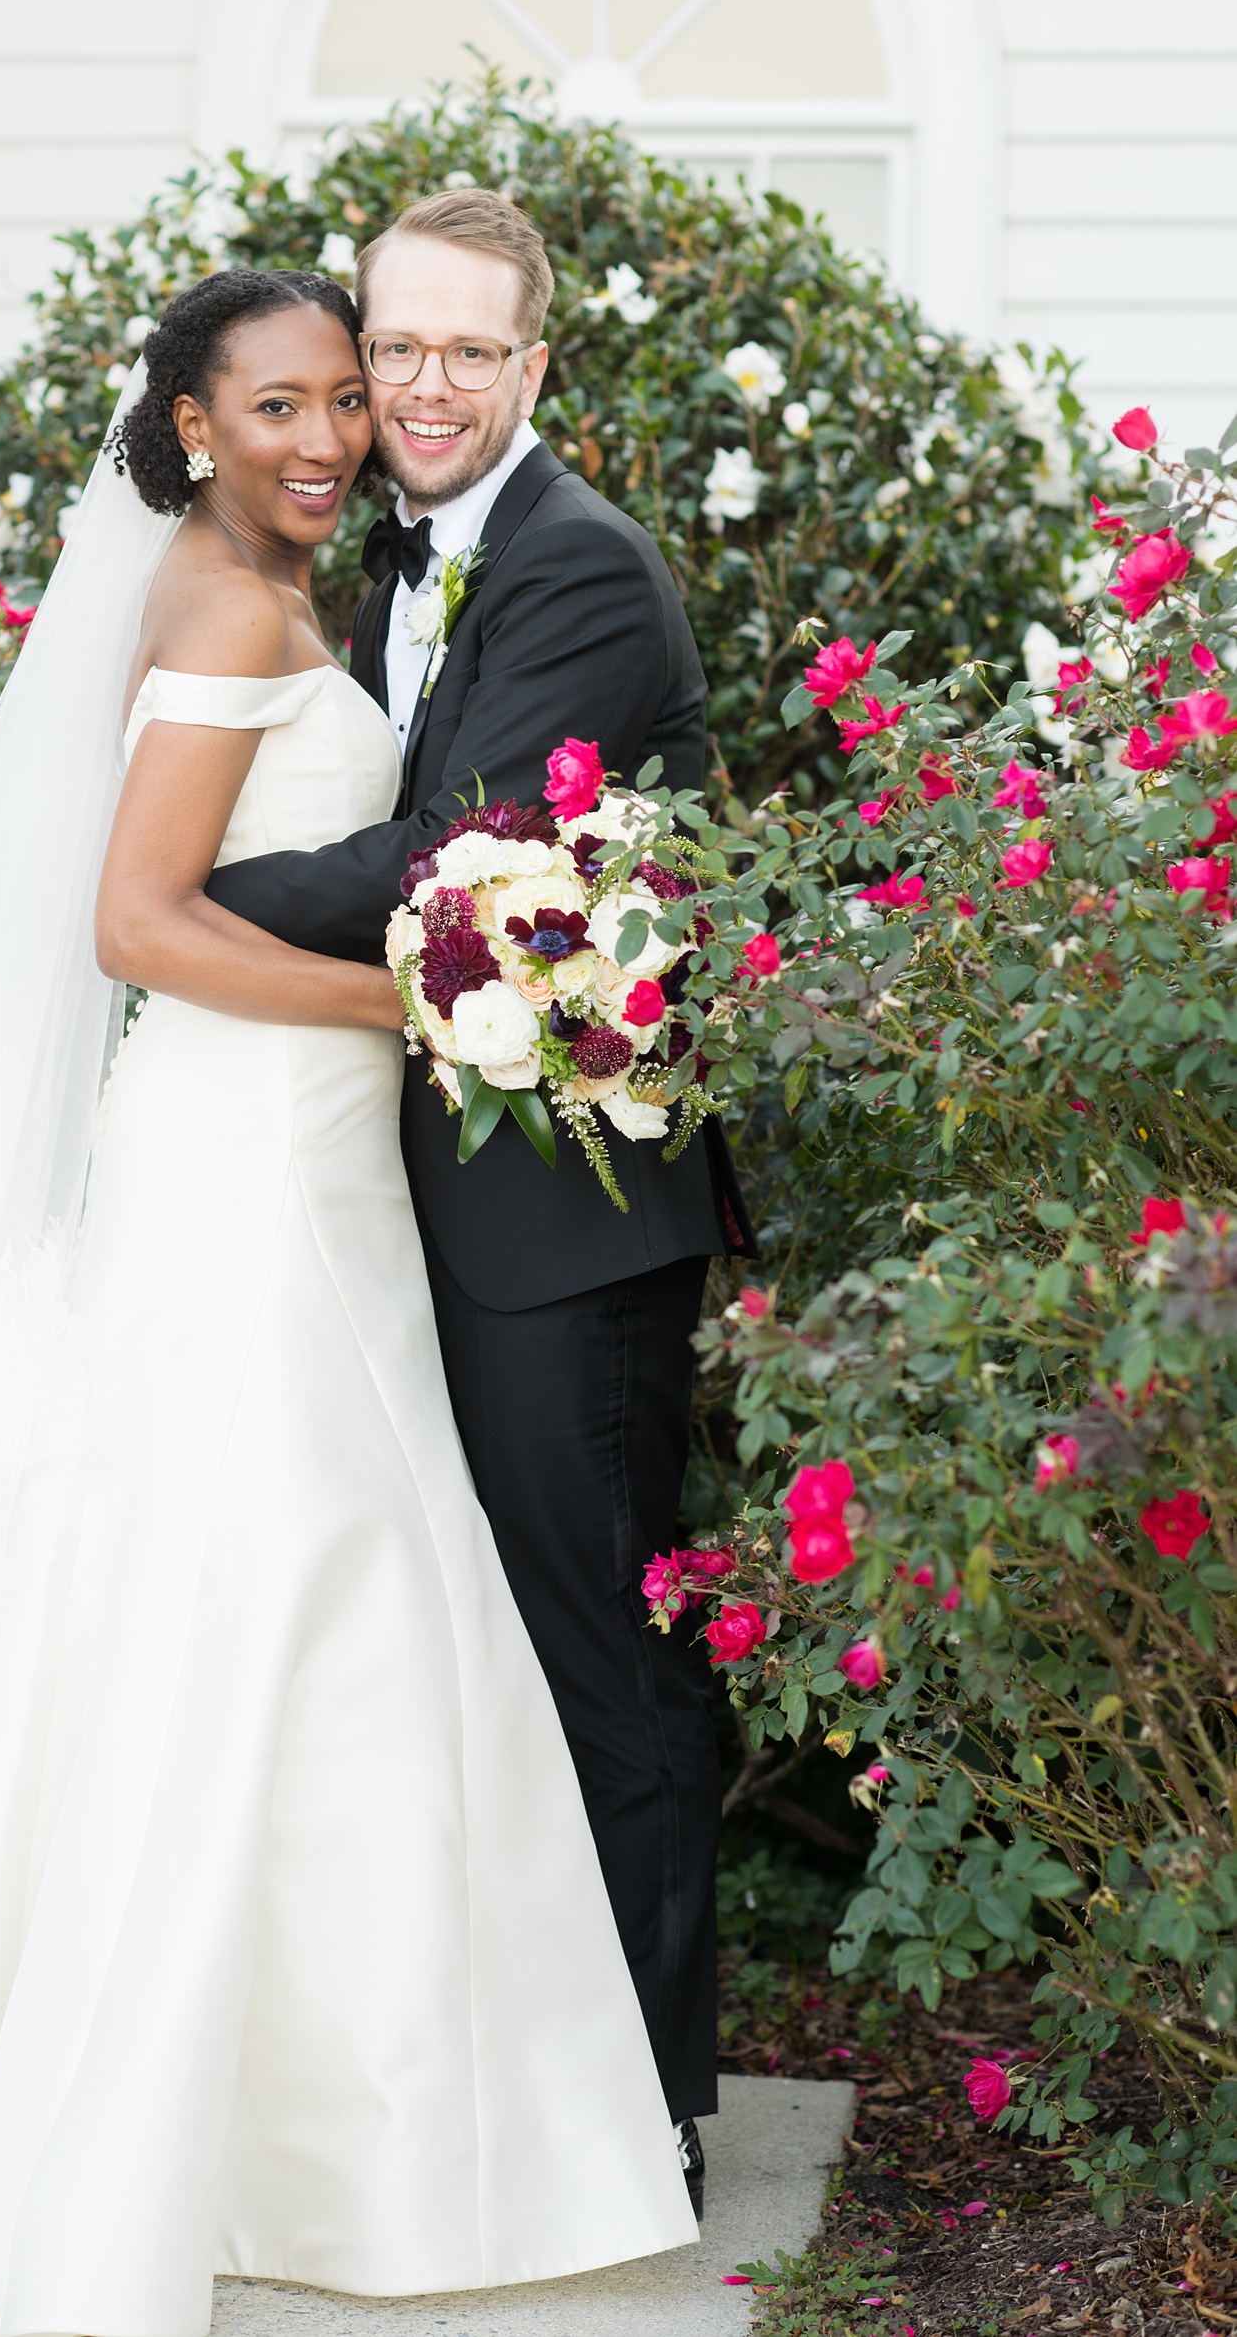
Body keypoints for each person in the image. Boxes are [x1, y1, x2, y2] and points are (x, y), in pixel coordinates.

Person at [0, 270, 696, 2337]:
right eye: (279, 405)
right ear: (184, 427)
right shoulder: (231, 605)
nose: (329, 435)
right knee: (261, 1593)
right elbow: (137, 920)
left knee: (294, 1608)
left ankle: (310, 2113)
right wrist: (453, 1005)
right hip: (245, 1161)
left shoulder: (267, 588)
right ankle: (200, 2127)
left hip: (308, 1162)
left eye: (347, 396)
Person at [208, 193, 756, 2209]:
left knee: (597, 1652)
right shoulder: (394, 563)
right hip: (403, 1192)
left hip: (562, 1232)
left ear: (536, 364)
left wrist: (168, 902)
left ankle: (651, 2115)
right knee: (438, 1649)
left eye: (467, 349)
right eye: (395, 345)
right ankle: (501, 2084)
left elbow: (439, 865)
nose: (423, 384)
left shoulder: (587, 575)